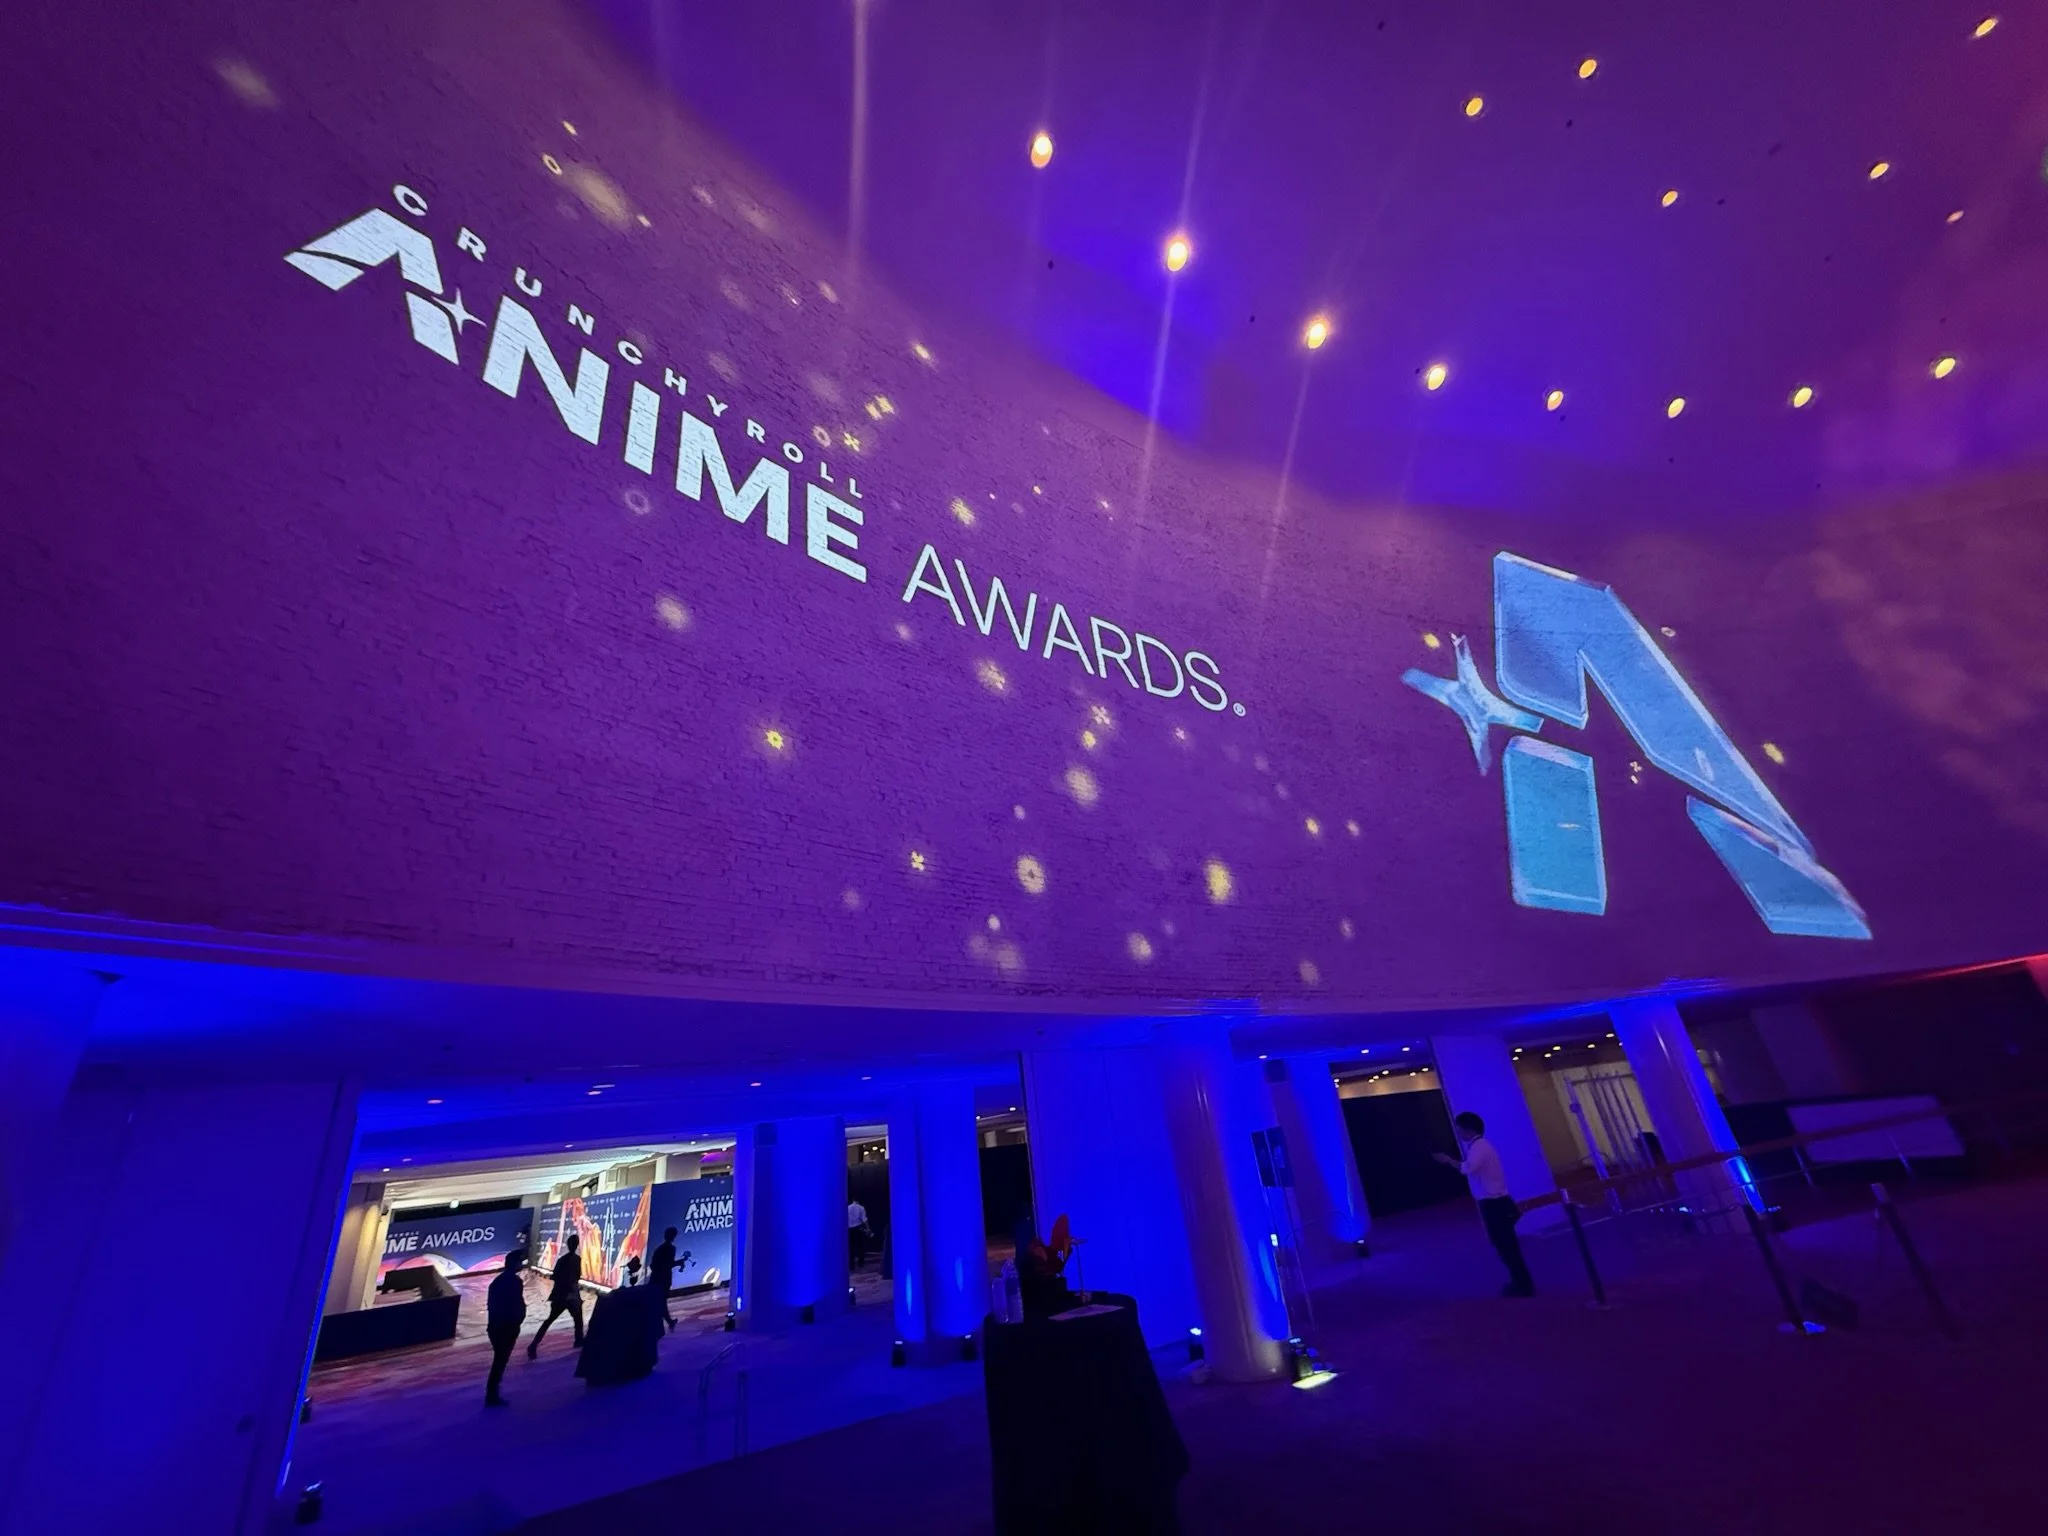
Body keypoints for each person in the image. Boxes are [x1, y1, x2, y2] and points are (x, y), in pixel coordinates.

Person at [1434, 1111, 1535, 1297]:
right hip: (1497, 1202)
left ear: (1468, 1129)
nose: (1458, 1133)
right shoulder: (1481, 1146)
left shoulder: (1479, 1147)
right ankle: (1521, 1282)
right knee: (1506, 1245)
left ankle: (1523, 1285)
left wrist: (1448, 1161)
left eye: (1460, 1129)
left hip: (1494, 1204)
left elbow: (1468, 1168)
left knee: (1505, 1246)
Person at [528, 1234, 586, 1356]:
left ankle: (534, 1344)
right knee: (578, 1319)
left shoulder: (562, 1260)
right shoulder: (576, 1259)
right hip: (570, 1294)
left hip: (560, 1294)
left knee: (550, 1320)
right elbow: (576, 1277)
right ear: (576, 1245)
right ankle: (578, 1340)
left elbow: (555, 1275)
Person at [483, 1249, 528, 1407]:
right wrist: (516, 1321)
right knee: (500, 1360)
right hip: (506, 1326)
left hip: (497, 1326)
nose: (521, 1264)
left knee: (500, 1359)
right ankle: (492, 1393)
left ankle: (492, 1392)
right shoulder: (514, 1282)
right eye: (519, 1262)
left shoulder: (497, 1281)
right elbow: (515, 1304)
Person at [648, 1226, 689, 1333]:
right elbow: (668, 1264)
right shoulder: (670, 1249)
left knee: (660, 1301)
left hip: (656, 1278)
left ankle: (668, 1321)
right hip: (663, 1279)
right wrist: (679, 1262)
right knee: (661, 1301)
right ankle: (666, 1322)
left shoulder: (660, 1249)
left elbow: (654, 1265)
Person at [847, 1197, 869, 1272]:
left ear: (852, 1199)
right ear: (858, 1200)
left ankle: (851, 1265)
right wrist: (868, 1228)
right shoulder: (861, 1208)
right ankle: (861, 1263)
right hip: (859, 1228)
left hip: (849, 1228)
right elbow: (864, 1219)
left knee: (851, 1247)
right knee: (861, 1245)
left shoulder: (847, 1208)